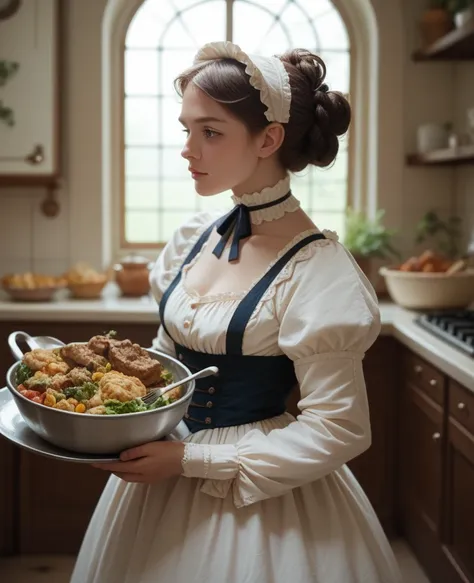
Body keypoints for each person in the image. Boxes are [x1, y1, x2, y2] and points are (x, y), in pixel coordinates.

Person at [71, 41, 402, 583]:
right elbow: (164, 363)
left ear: (269, 138)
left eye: (211, 132)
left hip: (261, 498)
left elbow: (340, 428)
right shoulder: (191, 242)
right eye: (187, 130)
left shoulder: (318, 270)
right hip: (157, 479)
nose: (188, 149)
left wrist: (190, 461)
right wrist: (112, 416)